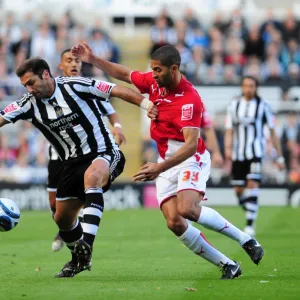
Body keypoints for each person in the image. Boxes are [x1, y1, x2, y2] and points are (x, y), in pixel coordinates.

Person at [72, 42, 264, 279]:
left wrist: (158, 168)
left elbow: (191, 145)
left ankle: (246, 240)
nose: (153, 75)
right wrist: (93, 59)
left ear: (174, 69)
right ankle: (227, 265)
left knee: (187, 209)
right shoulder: (155, 82)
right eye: (152, 70)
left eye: (158, 70)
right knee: (174, 222)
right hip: (165, 161)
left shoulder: (189, 100)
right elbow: (124, 73)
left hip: (190, 158)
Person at [0, 57, 157, 278]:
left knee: (92, 177)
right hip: (71, 164)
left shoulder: (75, 86)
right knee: (62, 218)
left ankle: (86, 244)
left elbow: (116, 90)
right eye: (25, 85)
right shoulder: (28, 104)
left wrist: (147, 104)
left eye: (31, 82)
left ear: (46, 74)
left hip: (104, 152)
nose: (28, 89)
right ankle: (79, 260)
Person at [50, 49, 126, 252]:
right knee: (56, 205)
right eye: (69, 60)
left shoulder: (88, 85)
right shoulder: (50, 89)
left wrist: (117, 128)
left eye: (77, 60)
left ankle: (83, 239)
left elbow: (110, 110)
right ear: (61, 65)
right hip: (59, 152)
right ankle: (68, 228)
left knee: (88, 185)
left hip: (90, 150)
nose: (74, 64)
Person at [224, 76, 285, 235]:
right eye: (245, 86)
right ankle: (251, 209)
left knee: (252, 183)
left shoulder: (263, 106)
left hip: (256, 152)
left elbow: (272, 132)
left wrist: (279, 157)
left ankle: (250, 224)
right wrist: (227, 149)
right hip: (238, 154)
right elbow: (229, 130)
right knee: (238, 190)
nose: (248, 89)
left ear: (256, 88)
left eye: (251, 86)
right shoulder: (234, 105)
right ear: (242, 87)